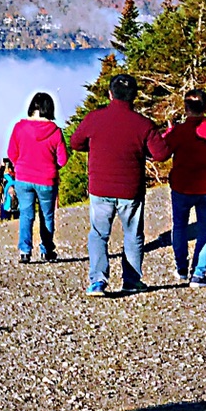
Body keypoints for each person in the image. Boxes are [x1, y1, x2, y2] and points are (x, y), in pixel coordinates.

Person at [69, 73, 168, 296]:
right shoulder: (144, 125)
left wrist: (95, 148)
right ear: (134, 96)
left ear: (110, 94)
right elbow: (161, 154)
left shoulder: (94, 118)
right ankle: (132, 280)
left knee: (98, 234)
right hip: (130, 189)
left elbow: (75, 142)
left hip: (100, 187)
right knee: (133, 234)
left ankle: (97, 281)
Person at [161, 87, 206, 286]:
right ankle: (198, 274)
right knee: (205, 231)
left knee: (180, 227)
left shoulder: (179, 131)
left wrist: (169, 130)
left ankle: (181, 268)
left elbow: (163, 152)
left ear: (186, 108)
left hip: (182, 186)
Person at [5, 92, 68, 263]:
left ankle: (25, 252)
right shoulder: (55, 132)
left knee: (26, 214)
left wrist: (20, 166)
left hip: (23, 178)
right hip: (47, 180)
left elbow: (11, 153)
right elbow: (63, 159)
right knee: (47, 216)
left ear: (32, 108)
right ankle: (46, 250)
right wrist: (51, 167)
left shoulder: (19, 127)